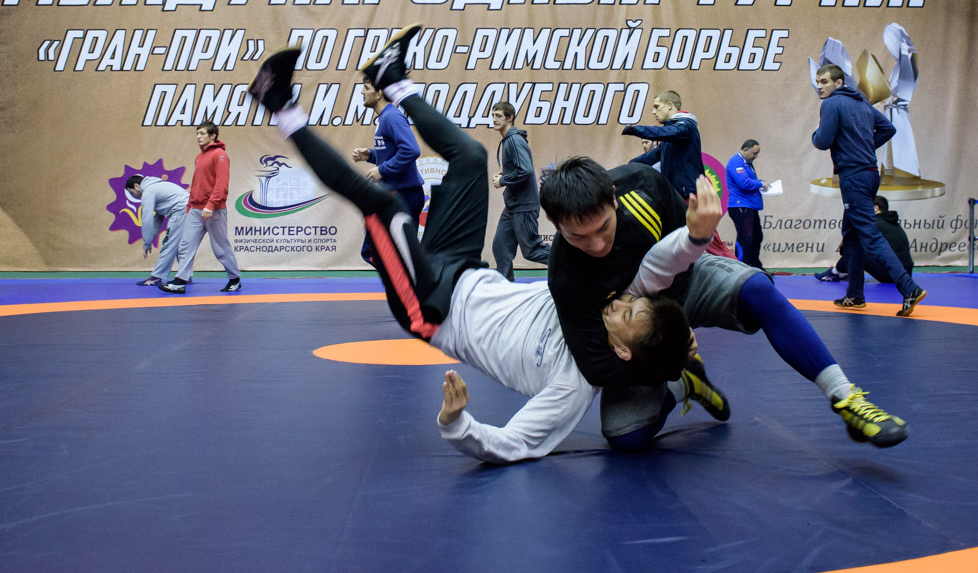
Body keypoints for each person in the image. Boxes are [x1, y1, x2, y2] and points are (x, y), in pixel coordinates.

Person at [246, 28, 728, 463]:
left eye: (627, 314)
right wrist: (697, 236)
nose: (621, 300)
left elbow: (512, 442)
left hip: (432, 310)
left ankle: (280, 106)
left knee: (384, 208)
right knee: (472, 156)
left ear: (622, 351)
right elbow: (661, 264)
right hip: (465, 269)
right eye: (631, 303)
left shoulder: (571, 388)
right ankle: (392, 77)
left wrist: (458, 424)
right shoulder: (611, 310)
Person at [541, 156, 909, 450]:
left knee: (758, 289)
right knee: (626, 438)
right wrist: (672, 359)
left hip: (679, 283)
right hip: (642, 337)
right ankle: (686, 384)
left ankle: (845, 397)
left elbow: (682, 257)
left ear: (613, 198)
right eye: (578, 237)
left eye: (603, 228)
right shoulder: (565, 276)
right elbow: (597, 366)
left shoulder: (643, 186)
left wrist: (673, 319)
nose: (596, 245)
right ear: (555, 225)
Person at [812, 64, 925, 315]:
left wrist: (816, 136)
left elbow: (823, 140)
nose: (819, 86)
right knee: (851, 235)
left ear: (838, 83)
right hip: (870, 174)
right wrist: (863, 147)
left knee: (870, 236)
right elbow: (888, 129)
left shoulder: (831, 104)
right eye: (817, 82)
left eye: (824, 82)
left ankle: (909, 288)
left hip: (853, 177)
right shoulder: (862, 103)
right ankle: (854, 295)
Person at [623, 90, 737, 261]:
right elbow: (652, 156)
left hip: (690, 197)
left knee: (713, 244)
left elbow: (668, 133)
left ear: (670, 106)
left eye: (656, 107)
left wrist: (637, 130)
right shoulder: (672, 133)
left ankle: (745, 274)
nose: (653, 112)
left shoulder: (686, 126)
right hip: (676, 197)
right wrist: (628, 167)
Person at [159, 121, 241, 294]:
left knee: (220, 248)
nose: (198, 137)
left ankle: (235, 279)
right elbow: (196, 183)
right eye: (197, 133)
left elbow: (221, 184)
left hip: (213, 210)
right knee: (185, 246)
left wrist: (210, 205)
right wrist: (189, 207)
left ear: (213, 136)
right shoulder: (199, 156)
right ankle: (180, 281)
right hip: (195, 210)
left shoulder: (220, 155)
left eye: (202, 134)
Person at [351, 75, 424, 265]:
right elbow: (394, 151)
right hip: (400, 193)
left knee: (377, 251)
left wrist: (382, 170)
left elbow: (411, 150)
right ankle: (411, 281)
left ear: (379, 93)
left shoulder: (392, 117)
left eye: (366, 88)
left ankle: (414, 281)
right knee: (396, 253)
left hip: (403, 194)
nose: (362, 92)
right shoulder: (385, 117)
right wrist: (370, 155)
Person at [489, 100, 550, 280]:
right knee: (501, 246)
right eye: (493, 115)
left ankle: (573, 263)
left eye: (499, 116)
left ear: (510, 118)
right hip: (513, 205)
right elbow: (520, 168)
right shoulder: (509, 140)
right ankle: (505, 287)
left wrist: (503, 180)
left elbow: (526, 170)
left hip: (524, 205)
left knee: (532, 250)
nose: (494, 119)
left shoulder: (514, 140)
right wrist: (506, 173)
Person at [815, 195, 914, 283]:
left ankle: (834, 273)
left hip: (891, 276)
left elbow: (846, 248)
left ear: (875, 208)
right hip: (906, 274)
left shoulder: (874, 224)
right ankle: (844, 271)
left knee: (855, 248)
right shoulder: (893, 223)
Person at [125, 175, 189, 287]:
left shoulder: (148, 191)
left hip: (181, 210)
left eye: (131, 193)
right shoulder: (157, 187)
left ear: (136, 186)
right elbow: (158, 220)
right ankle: (185, 276)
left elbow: (147, 219)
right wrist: (149, 241)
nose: (133, 196)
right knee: (179, 245)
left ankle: (156, 277)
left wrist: (147, 243)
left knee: (169, 244)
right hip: (189, 209)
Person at [725, 139, 769, 268]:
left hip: (748, 206)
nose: (756, 156)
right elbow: (744, 183)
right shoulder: (735, 162)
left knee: (757, 236)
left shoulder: (746, 163)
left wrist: (760, 184)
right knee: (745, 238)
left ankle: (755, 267)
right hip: (740, 206)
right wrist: (760, 183)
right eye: (754, 153)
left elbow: (749, 182)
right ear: (745, 150)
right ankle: (742, 268)